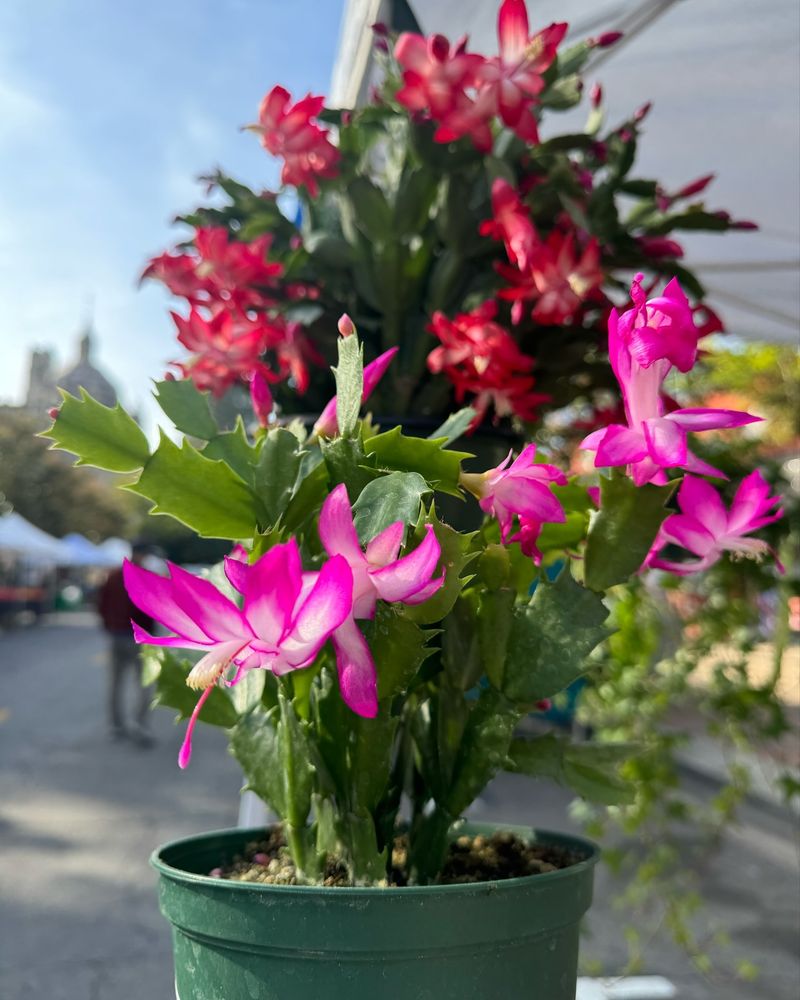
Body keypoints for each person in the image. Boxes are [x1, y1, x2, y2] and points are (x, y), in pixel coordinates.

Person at [96, 543, 155, 746]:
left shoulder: (113, 576)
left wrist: (108, 625)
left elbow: (101, 604)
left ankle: (116, 725)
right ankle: (139, 724)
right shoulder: (143, 575)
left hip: (117, 634)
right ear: (143, 554)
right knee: (144, 683)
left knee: (116, 683)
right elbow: (150, 607)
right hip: (137, 636)